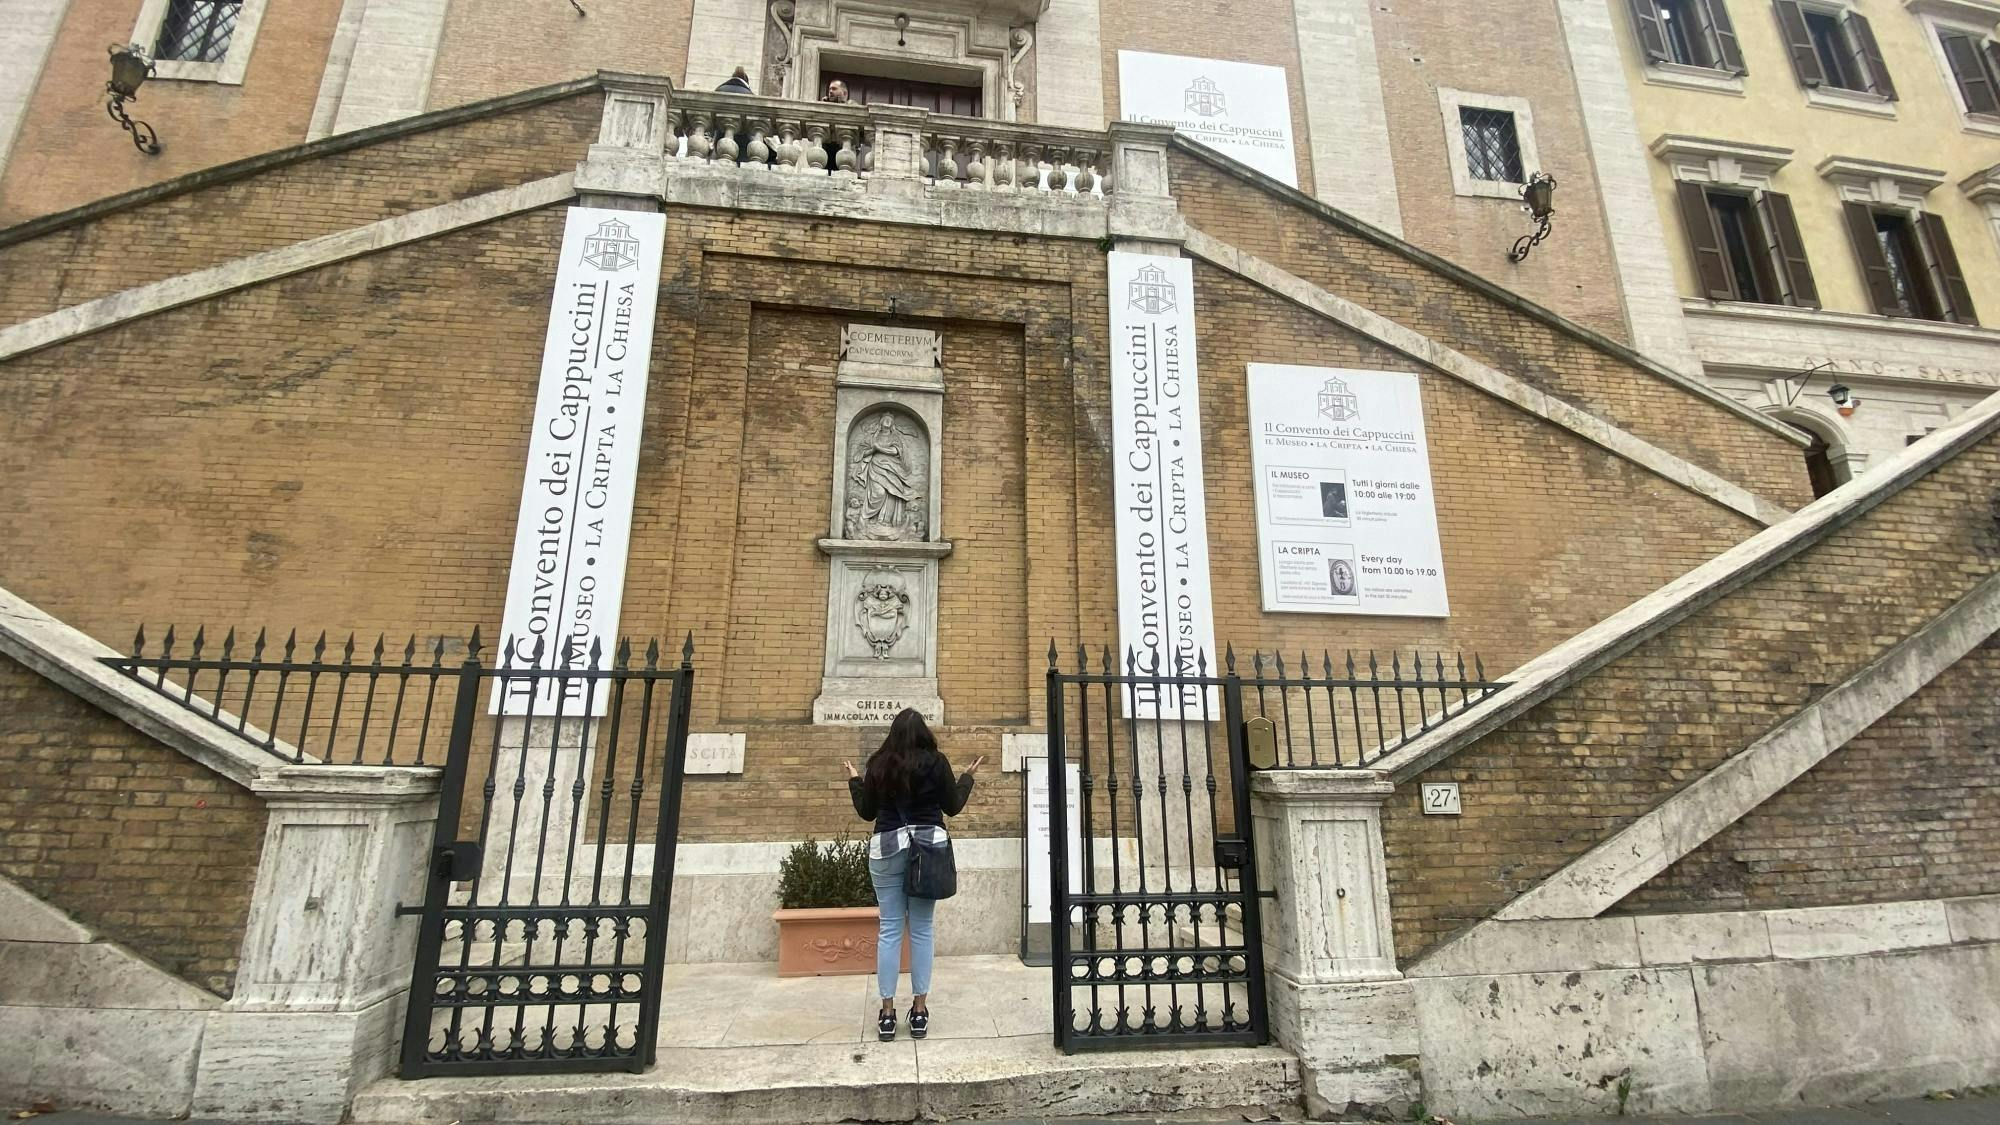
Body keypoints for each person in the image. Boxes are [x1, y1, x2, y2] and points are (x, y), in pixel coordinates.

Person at [845, 709, 980, 1041]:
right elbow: (952, 806)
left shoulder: (879, 764)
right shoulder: (937, 762)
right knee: (921, 930)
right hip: (927, 849)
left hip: (887, 846)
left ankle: (888, 1014)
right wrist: (966, 778)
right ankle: (919, 1012)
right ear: (924, 734)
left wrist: (854, 781)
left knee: (890, 929)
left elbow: (867, 812)